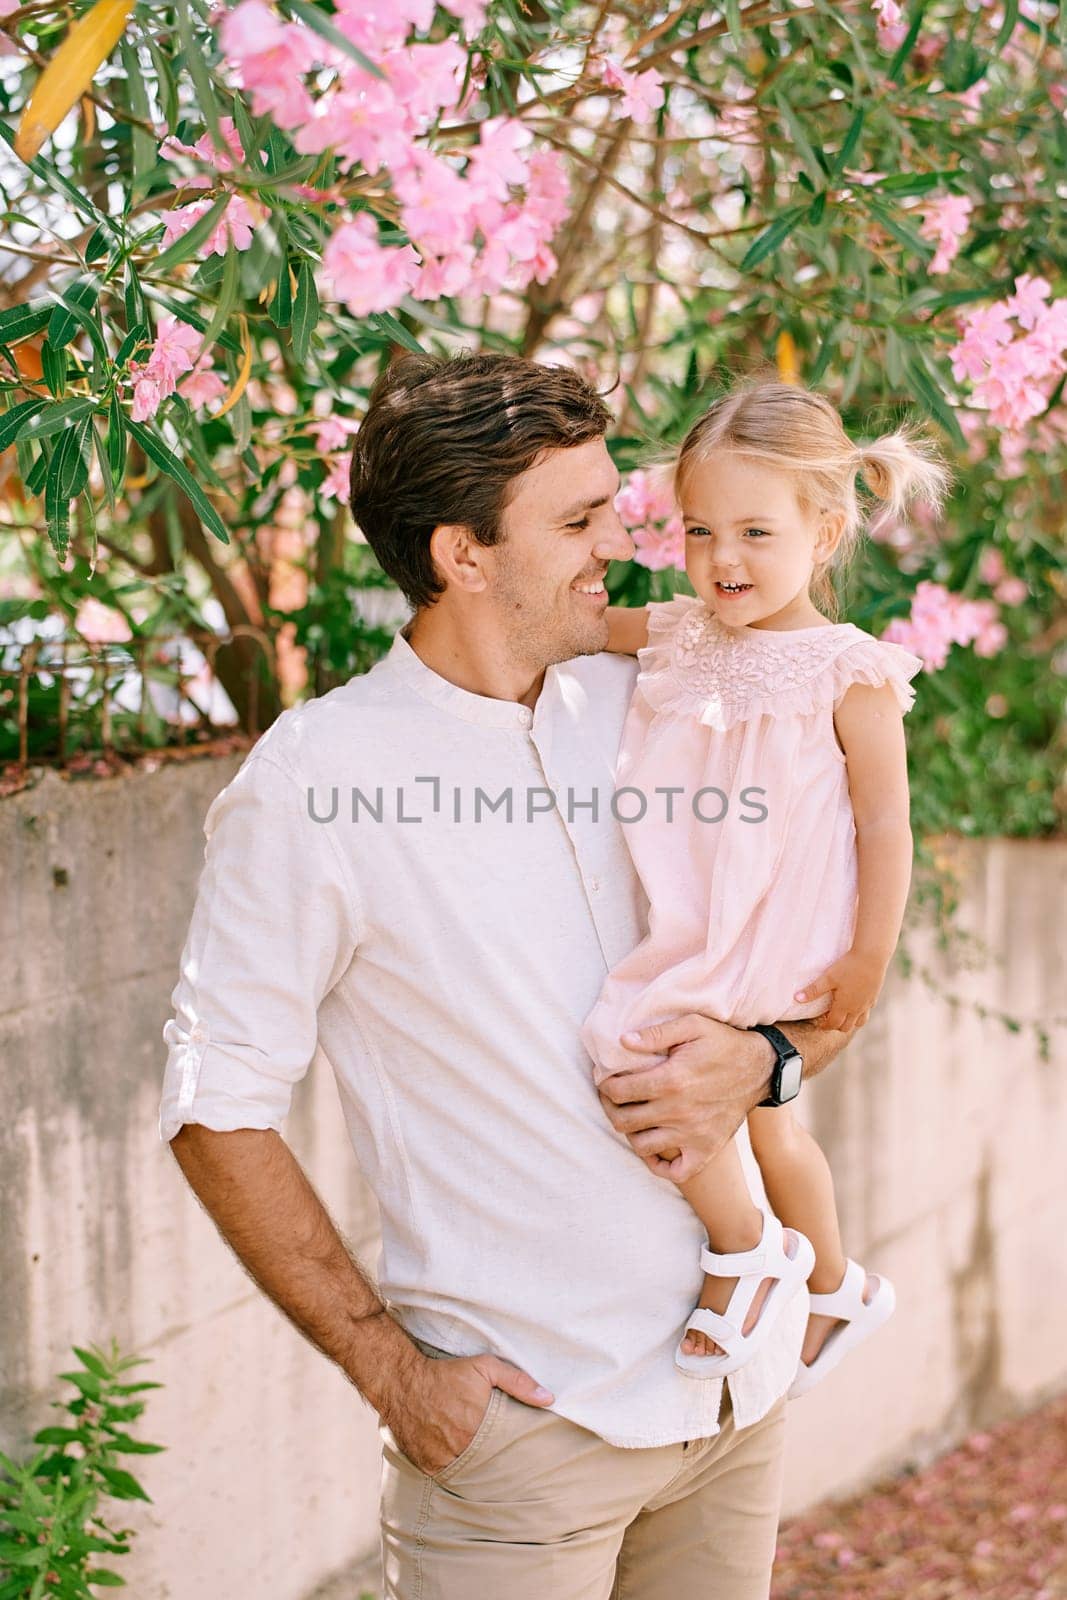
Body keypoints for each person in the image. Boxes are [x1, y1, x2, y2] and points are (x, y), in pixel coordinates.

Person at [160, 353, 853, 1600]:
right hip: (527, 1438)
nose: (619, 542)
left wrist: (770, 1056)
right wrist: (390, 1368)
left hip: (729, 1408)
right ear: (461, 555)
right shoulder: (316, 780)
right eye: (578, 519)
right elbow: (217, 1104)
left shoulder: (665, 691)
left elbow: (810, 925)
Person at [584, 381, 948, 1392]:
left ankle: (743, 1252)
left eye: (754, 530)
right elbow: (573, 628)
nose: (722, 559)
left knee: (634, 1051)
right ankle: (832, 1282)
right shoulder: (676, 633)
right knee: (772, 1125)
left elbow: (884, 823)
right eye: (700, 531)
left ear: (822, 533)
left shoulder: (847, 670)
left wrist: (866, 957)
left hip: (783, 935)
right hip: (708, 922)